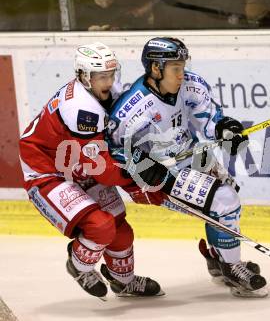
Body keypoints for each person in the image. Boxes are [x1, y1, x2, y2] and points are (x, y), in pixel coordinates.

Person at [106, 37, 268, 298]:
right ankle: (232, 267)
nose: (182, 74)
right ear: (156, 69)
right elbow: (113, 148)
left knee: (227, 194)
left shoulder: (190, 85)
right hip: (161, 175)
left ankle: (218, 260)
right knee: (225, 201)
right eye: (175, 69)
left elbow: (209, 118)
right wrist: (141, 164)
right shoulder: (133, 108)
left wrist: (226, 128)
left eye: (183, 65)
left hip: (190, 154)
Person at [19, 42, 163, 300]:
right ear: (85, 77)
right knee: (100, 226)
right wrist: (138, 177)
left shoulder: (109, 91)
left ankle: (123, 281)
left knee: (121, 231)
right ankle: (79, 266)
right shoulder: (82, 111)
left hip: (77, 163)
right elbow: (102, 170)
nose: (108, 82)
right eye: (100, 77)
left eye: (111, 74)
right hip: (48, 170)